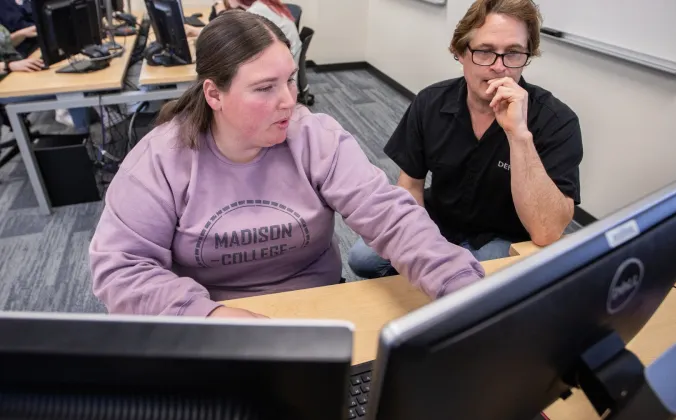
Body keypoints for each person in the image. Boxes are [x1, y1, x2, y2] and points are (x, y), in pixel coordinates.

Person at [88, 11, 484, 318]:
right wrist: (209, 316)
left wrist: (458, 283)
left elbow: (390, 216)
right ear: (214, 94)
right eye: (264, 88)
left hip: (317, 308)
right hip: (215, 322)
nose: (288, 100)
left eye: (290, 81)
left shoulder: (314, 137)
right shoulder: (162, 158)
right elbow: (121, 269)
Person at [348, 0, 583, 279]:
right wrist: (423, 243)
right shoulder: (431, 103)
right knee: (362, 258)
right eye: (485, 52)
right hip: (439, 220)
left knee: (475, 277)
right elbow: (410, 186)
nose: (499, 67)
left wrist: (519, 135)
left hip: (506, 237)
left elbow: (546, 231)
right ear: (460, 52)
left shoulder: (557, 121)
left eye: (514, 53)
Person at [0, 24, 89, 133]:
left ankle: (86, 129)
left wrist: (22, 34)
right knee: (68, 88)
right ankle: (86, 135)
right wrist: (8, 65)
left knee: (67, 76)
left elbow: (6, 45)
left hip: (16, 72)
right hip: (4, 86)